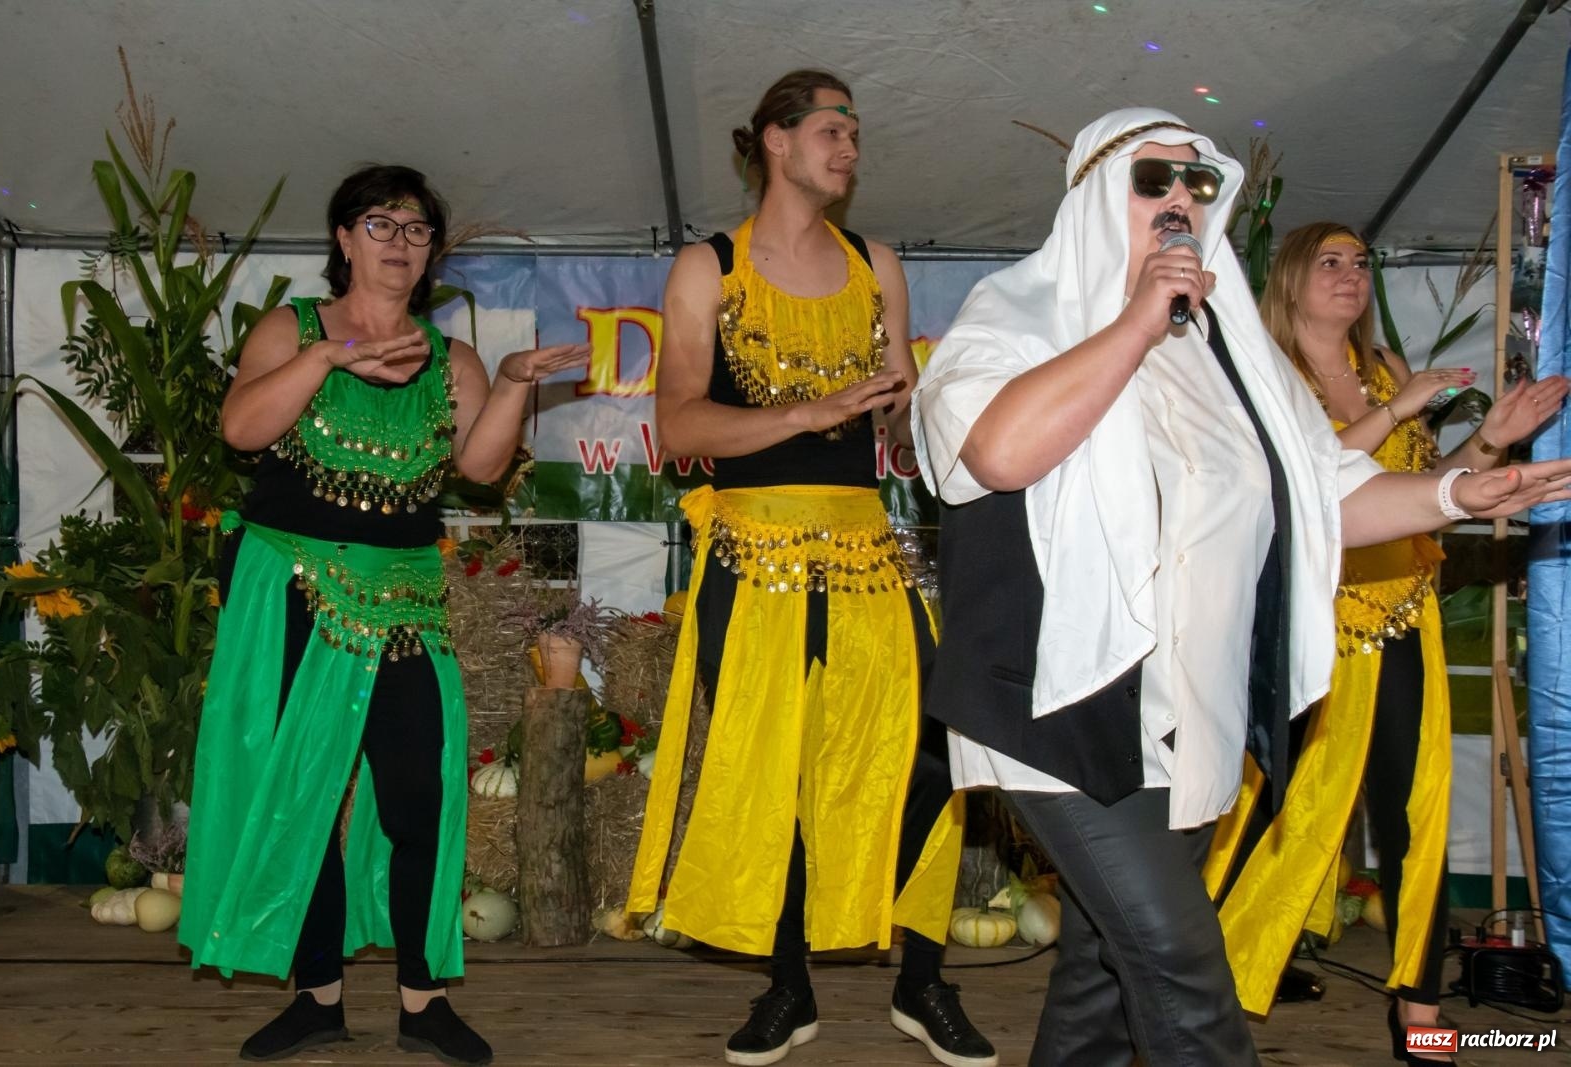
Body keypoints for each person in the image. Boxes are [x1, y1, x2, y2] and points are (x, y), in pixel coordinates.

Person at [911, 107, 1571, 1066]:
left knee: (1105, 970)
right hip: (1060, 707)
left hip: (1191, 711)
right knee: (1183, 969)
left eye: (1199, 183)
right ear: (1099, 196)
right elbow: (998, 452)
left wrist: (1461, 489)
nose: (1182, 197)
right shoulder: (1015, 315)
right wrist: (1138, 320)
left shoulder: (1229, 350)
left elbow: (1321, 493)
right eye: (1156, 180)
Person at [626, 70, 996, 1067]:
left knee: (929, 755)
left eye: (856, 132)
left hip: (868, 547)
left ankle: (922, 978)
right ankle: (787, 984)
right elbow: (678, 423)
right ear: (774, 142)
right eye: (831, 129)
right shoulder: (709, 267)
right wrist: (804, 414)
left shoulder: (876, 263)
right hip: (749, 551)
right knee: (774, 770)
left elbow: (905, 425)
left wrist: (931, 421)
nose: (849, 147)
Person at [179, 164, 588, 1065]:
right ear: (343, 238)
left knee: (417, 796)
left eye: (416, 228)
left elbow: (479, 468)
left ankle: (422, 999)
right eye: (380, 223)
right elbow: (242, 428)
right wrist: (327, 357)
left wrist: (516, 381)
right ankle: (316, 994)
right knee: (305, 792)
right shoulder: (290, 328)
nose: (400, 241)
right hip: (293, 587)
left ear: (431, 249)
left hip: (403, 594)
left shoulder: (454, 359)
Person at [1204, 221, 1567, 1059]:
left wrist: (1492, 444)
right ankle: (1206, 972)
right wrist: (1399, 409)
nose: (1351, 275)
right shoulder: (1264, 373)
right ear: (1289, 277)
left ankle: (1417, 1002)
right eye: (1330, 262)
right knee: (1271, 809)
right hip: (1308, 625)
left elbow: (1425, 482)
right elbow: (1304, 480)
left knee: (1416, 810)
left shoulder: (1387, 370)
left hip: (1403, 614)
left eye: (1361, 263)